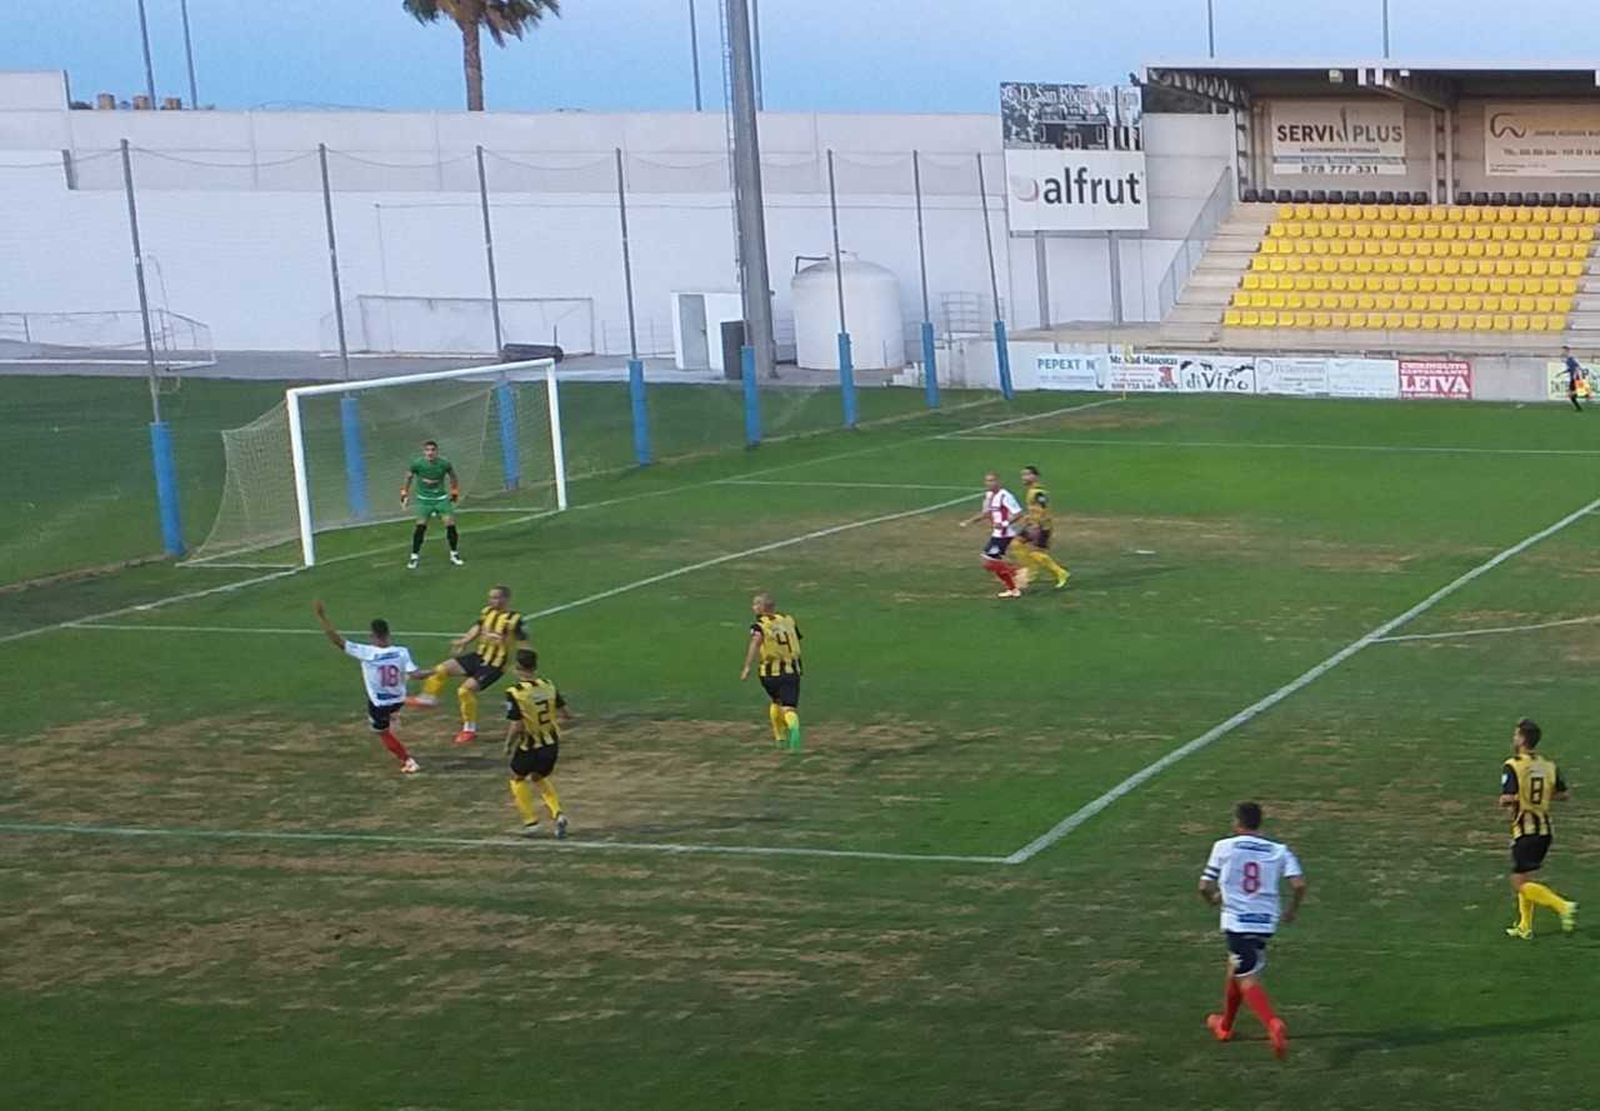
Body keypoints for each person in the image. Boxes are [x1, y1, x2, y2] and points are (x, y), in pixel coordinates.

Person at [1198, 801, 1306, 1061]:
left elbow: (1203, 886)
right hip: (1265, 922)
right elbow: (1299, 884)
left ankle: (1272, 1023)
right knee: (1236, 969)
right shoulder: (1279, 850)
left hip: (1238, 922)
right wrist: (1292, 910)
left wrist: (1213, 899)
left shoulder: (1223, 847)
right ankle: (1225, 1026)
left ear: (1237, 822)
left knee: (1246, 978)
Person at [312, 599, 431, 774]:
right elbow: (416, 675)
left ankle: (408, 761)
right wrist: (437, 671)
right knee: (395, 706)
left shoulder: (367, 652)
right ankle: (402, 710)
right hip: (398, 700)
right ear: (388, 634)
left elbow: (337, 640)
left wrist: (321, 616)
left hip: (379, 704)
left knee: (381, 732)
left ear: (373, 636)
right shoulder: (401, 651)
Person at [407, 584, 527, 746]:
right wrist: (464, 641)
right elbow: (477, 628)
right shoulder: (487, 612)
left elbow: (523, 641)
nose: (493, 601)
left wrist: (523, 663)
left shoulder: (514, 619)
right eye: (491, 597)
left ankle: (469, 729)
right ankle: (428, 698)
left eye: (497, 597)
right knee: (441, 669)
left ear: (506, 599)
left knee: (465, 691)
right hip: (478, 656)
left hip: (495, 665)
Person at [1501, 717, 1578, 939]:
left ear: (1523, 739)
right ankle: (1525, 927)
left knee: (1519, 882)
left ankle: (1562, 906)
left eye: (1516, 735)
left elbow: (1507, 798)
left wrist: (1513, 798)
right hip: (1544, 830)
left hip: (1526, 831)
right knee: (1525, 878)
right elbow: (1564, 794)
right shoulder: (1548, 766)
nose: (1514, 738)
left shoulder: (1513, 765)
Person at [504, 648, 572, 839]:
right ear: (534, 666)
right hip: (551, 743)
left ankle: (530, 822)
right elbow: (566, 714)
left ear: (517, 668)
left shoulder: (515, 693)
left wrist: (509, 744)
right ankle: (558, 813)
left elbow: (516, 725)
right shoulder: (548, 685)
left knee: (516, 777)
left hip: (529, 745)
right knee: (538, 776)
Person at [739, 592, 803, 751]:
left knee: (776, 701)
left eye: (755, 604)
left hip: (769, 673)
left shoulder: (760, 625)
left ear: (761, 608)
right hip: (791, 670)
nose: (753, 607)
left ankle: (780, 737)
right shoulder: (788, 620)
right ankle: (792, 727)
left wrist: (747, 667)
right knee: (789, 708)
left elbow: (755, 643)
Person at [960, 472, 1024, 598]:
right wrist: (969, 521)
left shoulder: (1005, 496)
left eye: (992, 480)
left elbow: (1018, 513)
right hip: (997, 534)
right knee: (990, 562)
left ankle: (1014, 576)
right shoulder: (989, 496)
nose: (989, 483)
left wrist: (1004, 523)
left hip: (1005, 534)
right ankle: (1013, 583)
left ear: (998, 482)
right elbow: (986, 513)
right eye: (987, 481)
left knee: (988, 561)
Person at [401, 439, 463, 569]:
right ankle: (414, 556)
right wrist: (404, 493)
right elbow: (408, 477)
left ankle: (454, 553)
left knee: (450, 524)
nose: (430, 453)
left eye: (433, 450)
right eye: (427, 450)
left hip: (441, 498)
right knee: (421, 526)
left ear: (437, 451)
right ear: (424, 452)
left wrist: (455, 492)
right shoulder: (417, 464)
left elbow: (453, 476)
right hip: (424, 500)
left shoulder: (444, 463)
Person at [1012, 465, 1070, 591]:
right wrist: (1029, 518)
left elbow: (1044, 509)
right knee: (1016, 544)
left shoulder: (1038, 492)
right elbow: (1035, 508)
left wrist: (1037, 524)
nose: (1024, 477)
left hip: (1041, 526)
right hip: (1032, 524)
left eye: (1027, 474)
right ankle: (1030, 569)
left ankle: (1061, 573)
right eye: (1022, 475)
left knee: (1036, 553)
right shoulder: (1031, 490)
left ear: (1035, 476)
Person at [1562, 347, 1587, 413]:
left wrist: (1576, 375)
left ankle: (1583, 394)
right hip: (1573, 379)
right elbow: (1571, 369)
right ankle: (1578, 407)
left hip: (1574, 379)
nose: (1563, 353)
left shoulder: (1570, 359)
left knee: (1571, 394)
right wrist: (1562, 373)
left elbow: (1576, 367)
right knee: (1571, 396)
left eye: (1564, 351)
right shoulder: (1568, 361)